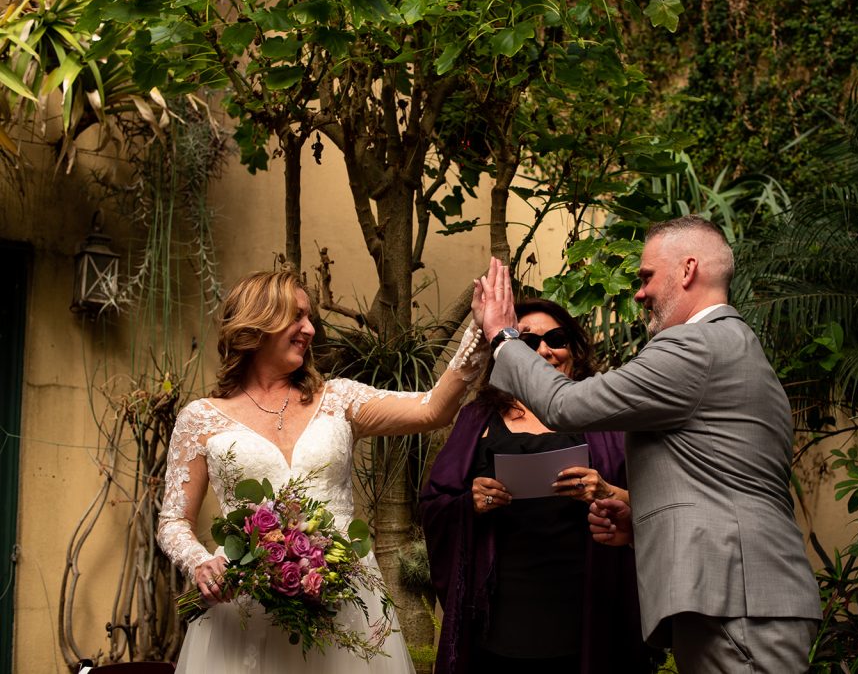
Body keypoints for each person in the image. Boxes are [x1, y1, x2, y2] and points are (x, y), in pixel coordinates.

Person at [478, 216, 822, 673]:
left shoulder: (695, 344)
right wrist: (640, 521)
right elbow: (722, 483)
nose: (639, 293)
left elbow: (565, 404)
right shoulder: (732, 345)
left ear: (687, 270)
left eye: (645, 277)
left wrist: (505, 338)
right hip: (737, 596)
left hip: (737, 598)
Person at [157, 270, 489, 673]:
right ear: (260, 318)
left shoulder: (339, 399)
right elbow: (173, 520)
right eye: (297, 316)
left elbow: (434, 408)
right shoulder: (201, 418)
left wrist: (481, 331)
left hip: (343, 603)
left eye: (310, 318)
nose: (310, 329)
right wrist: (199, 563)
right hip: (243, 609)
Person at [420, 298, 655, 674]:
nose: (544, 351)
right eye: (527, 342)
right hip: (501, 603)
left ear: (574, 349)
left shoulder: (605, 416)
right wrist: (471, 502)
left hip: (587, 598)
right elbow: (435, 504)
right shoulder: (476, 418)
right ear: (506, 354)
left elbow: (652, 504)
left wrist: (604, 490)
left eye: (556, 339)